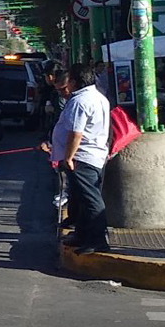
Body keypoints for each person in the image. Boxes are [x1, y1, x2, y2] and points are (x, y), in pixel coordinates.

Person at [45, 63, 111, 252]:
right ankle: (82, 235)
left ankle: (98, 240)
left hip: (83, 156)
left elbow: (76, 133)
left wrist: (68, 157)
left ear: (74, 81)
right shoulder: (97, 97)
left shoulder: (80, 101)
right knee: (81, 198)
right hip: (92, 154)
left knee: (91, 199)